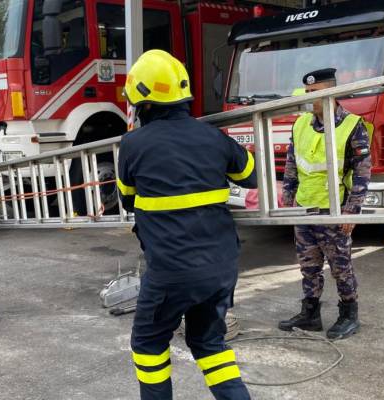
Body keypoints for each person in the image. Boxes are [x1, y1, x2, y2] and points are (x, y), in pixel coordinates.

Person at [118, 50, 258, 400]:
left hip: (172, 270)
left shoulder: (133, 144)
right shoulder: (213, 136)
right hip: (221, 267)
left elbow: (126, 197)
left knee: (148, 344)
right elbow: (251, 175)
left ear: (143, 101)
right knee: (209, 342)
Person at [278, 68, 372, 340]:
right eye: (307, 93)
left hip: (333, 209)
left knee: (340, 265)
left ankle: (349, 314)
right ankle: (310, 314)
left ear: (331, 92)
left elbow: (363, 170)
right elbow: (293, 161)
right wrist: (289, 191)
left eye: (315, 93)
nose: (310, 98)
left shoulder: (352, 124)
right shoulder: (301, 124)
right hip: (305, 206)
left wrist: (352, 209)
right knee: (308, 265)